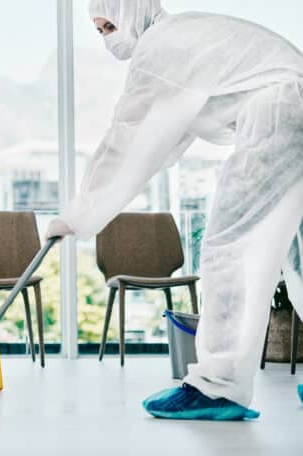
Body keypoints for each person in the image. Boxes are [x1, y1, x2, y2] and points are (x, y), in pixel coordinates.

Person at [46, 0, 303, 419]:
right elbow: (160, 146)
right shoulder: (185, 41)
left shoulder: (160, 50)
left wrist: (79, 216)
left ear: (134, 12)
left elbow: (127, 140)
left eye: (111, 24)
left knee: (231, 248)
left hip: (278, 114)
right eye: (100, 30)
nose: (109, 37)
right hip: (293, 108)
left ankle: (218, 387)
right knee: (297, 257)